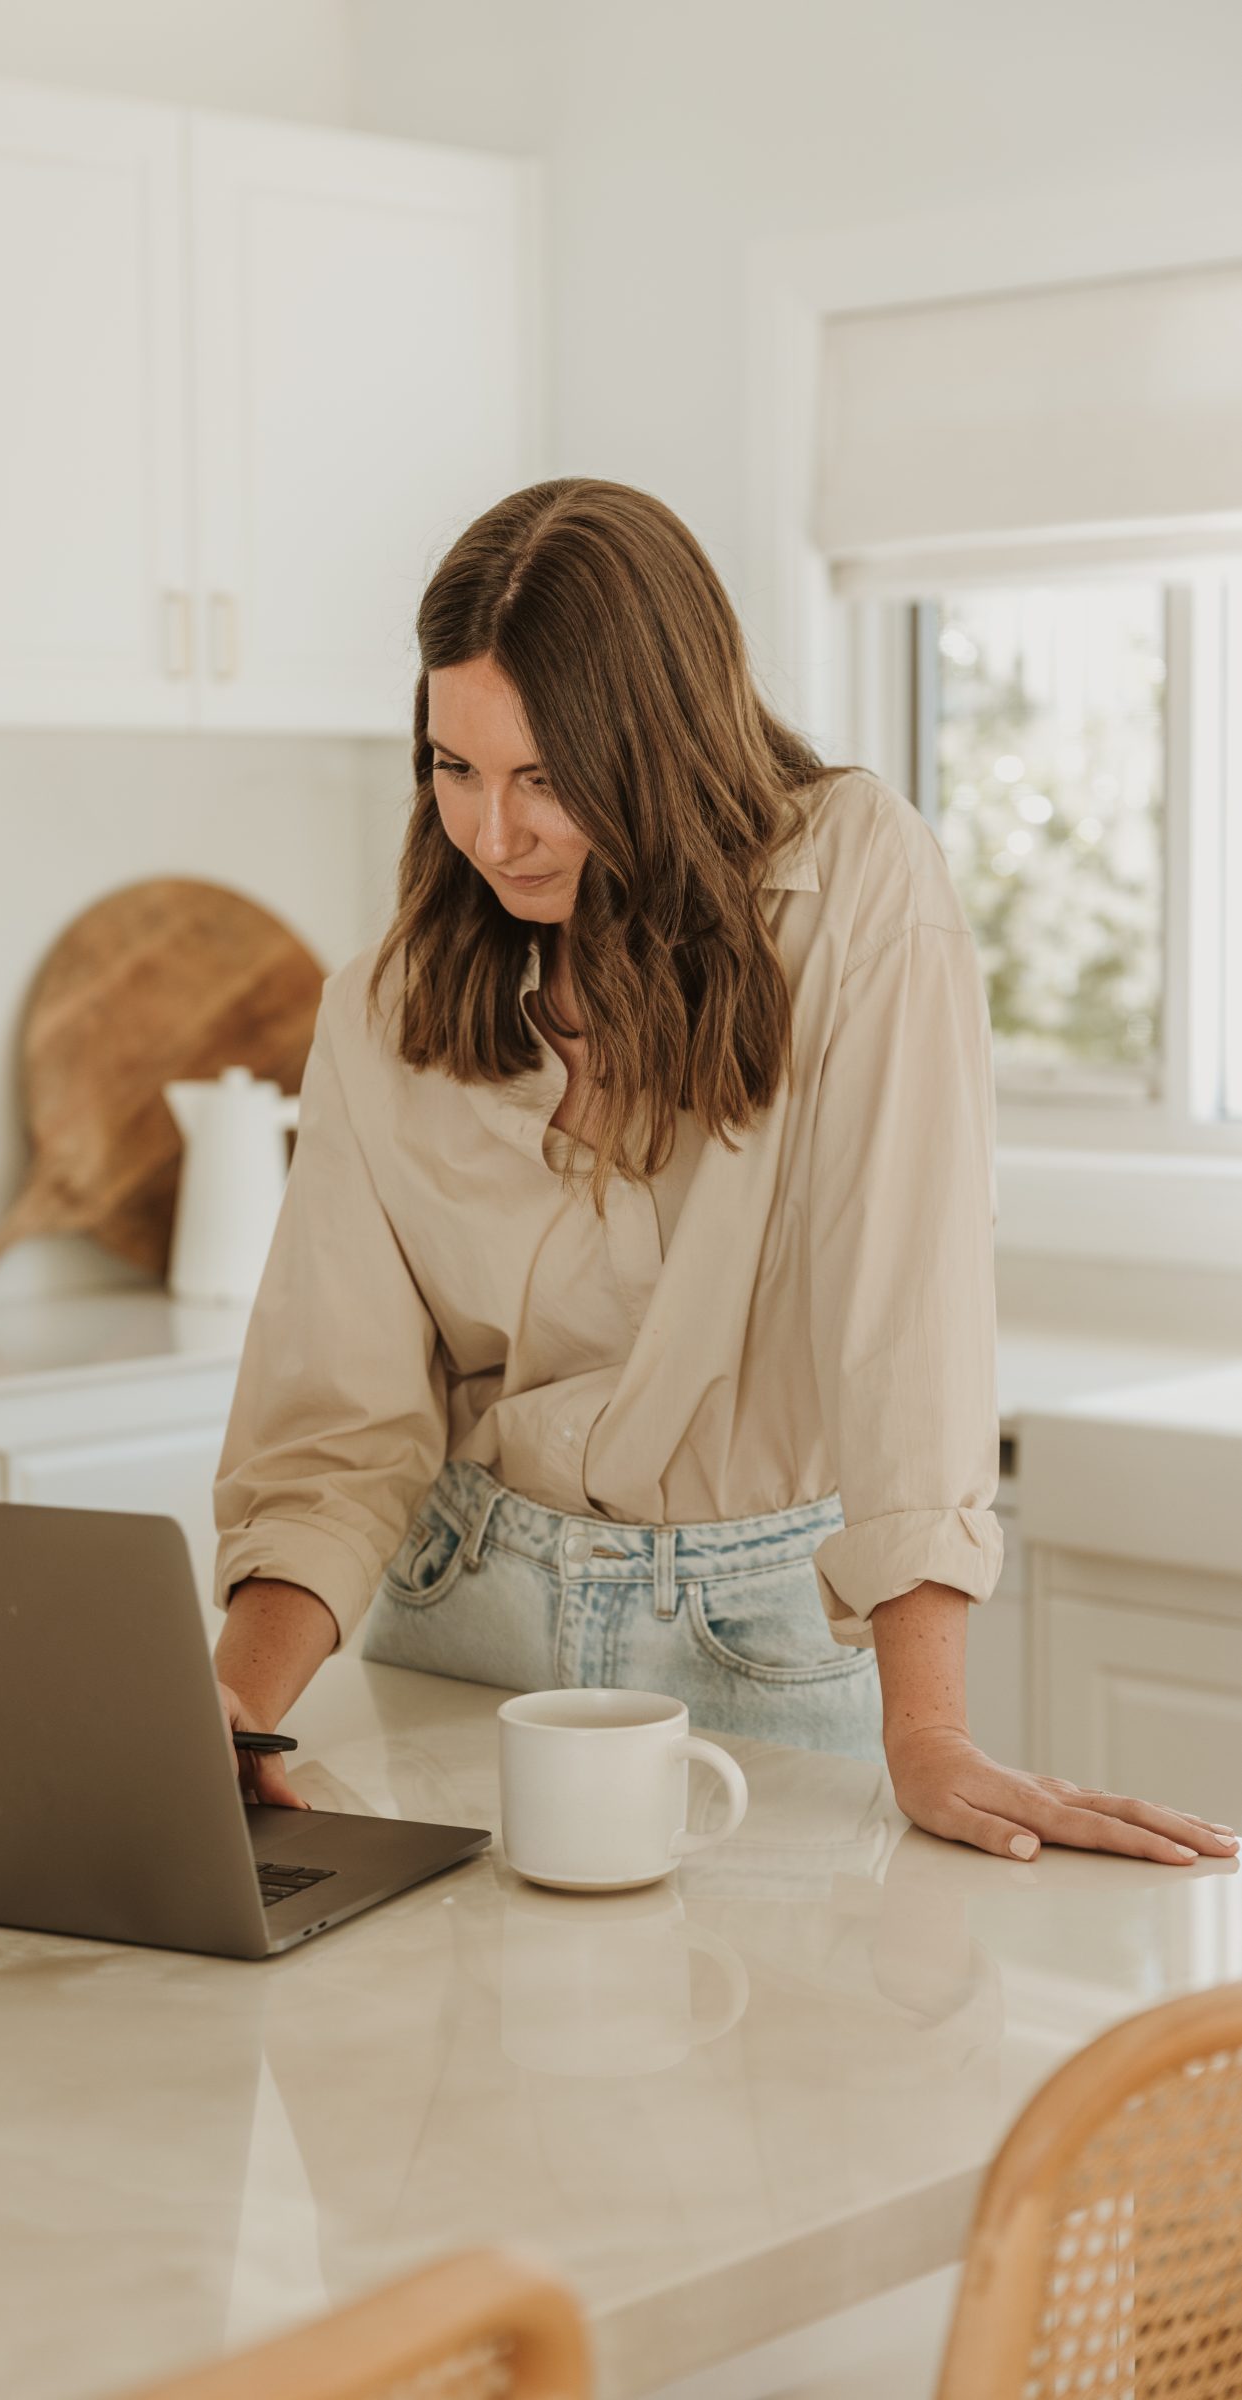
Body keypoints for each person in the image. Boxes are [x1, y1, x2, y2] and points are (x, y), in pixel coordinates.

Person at [209, 476, 1236, 1874]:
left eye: (544, 778)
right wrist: (233, 1715)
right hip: (455, 1627)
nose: (491, 835)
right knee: (426, 2087)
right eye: (453, 769)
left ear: (657, 741)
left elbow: (901, 1317)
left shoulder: (848, 878)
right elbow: (334, 1431)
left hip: (760, 1633)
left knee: (784, 2083)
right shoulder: (384, 1004)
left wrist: (926, 1730)